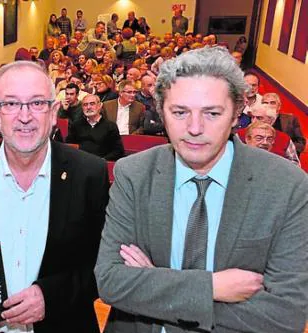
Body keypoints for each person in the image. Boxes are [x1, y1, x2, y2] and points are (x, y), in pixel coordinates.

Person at [95, 46, 308, 333]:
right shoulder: (133, 173)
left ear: (236, 114)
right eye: (180, 112)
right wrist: (213, 287)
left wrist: (154, 283)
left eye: (212, 113)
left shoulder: (287, 185)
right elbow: (111, 282)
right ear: (161, 111)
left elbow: (285, 315)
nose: (194, 128)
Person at [0, 60, 109, 333]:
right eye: (10, 104)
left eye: (36, 103)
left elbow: (103, 264)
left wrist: (50, 296)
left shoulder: (89, 174)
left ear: (54, 111)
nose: (24, 116)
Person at [236, 104, 301, 166]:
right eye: (252, 117)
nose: (254, 121)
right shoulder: (239, 134)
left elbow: (295, 165)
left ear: (271, 120)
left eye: (259, 118)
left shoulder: (284, 138)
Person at [67, 94, 124, 161]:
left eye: (92, 104)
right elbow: (69, 147)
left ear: (99, 106)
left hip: (102, 164)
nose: (88, 107)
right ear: (82, 108)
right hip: (80, 162)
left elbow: (118, 151)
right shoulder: (76, 125)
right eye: (85, 105)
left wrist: (102, 160)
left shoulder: (110, 126)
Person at [262, 92, 306, 157]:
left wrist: (286, 149)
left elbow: (301, 143)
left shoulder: (290, 120)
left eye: (272, 103)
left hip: (285, 156)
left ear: (279, 106)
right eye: (265, 103)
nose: (269, 105)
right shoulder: (256, 119)